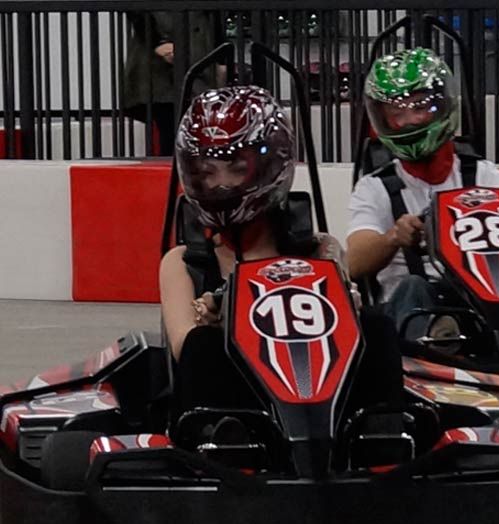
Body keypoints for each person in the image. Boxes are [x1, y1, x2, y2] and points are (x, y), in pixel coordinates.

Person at [160, 86, 406, 438]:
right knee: (202, 346)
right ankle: (221, 444)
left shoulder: (319, 250)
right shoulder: (185, 262)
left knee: (376, 325)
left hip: (323, 395)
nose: (219, 184)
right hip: (237, 408)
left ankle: (382, 438)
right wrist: (214, 317)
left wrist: (347, 308)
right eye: (207, 171)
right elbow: (184, 346)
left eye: (235, 168)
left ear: (269, 165)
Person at [347, 47, 499, 342]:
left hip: (484, 300)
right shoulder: (375, 187)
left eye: (419, 107)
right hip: (417, 308)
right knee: (413, 285)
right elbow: (353, 263)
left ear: (443, 106)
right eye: (398, 113)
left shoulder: (484, 175)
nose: (410, 121)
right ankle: (439, 338)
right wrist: (394, 238)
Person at [124, 11, 222, 156]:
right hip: (162, 64)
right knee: (172, 128)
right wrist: (157, 42)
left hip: (197, 55)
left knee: (195, 127)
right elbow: (136, 11)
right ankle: (173, 173)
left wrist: (220, 58)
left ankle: (180, 171)